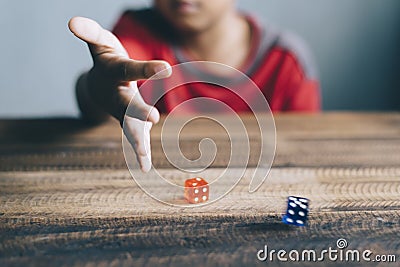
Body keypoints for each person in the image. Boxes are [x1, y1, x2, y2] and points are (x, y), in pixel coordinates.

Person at [69, 0, 320, 172]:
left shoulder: (286, 61)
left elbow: (307, 153)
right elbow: (110, 87)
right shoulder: (138, 34)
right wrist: (96, 87)